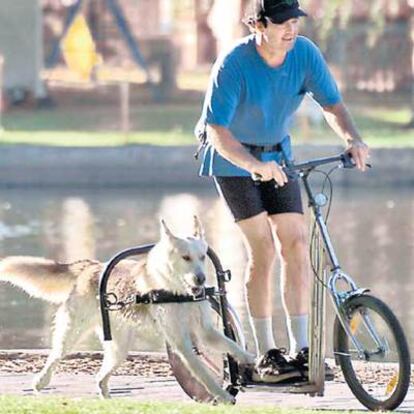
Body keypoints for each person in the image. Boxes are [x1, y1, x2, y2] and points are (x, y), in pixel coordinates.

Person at [195, 0, 369, 383]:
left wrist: (353, 138)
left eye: (294, 21)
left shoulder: (304, 53)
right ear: (259, 24)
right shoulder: (234, 63)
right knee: (264, 250)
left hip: (278, 156)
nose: (290, 30)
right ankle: (267, 354)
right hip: (233, 160)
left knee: (295, 242)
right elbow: (216, 132)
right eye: (281, 23)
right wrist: (254, 165)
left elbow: (332, 104)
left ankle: (302, 350)